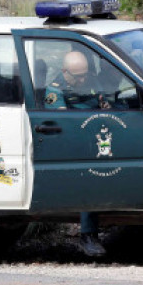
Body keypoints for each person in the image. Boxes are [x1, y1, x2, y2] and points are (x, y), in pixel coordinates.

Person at [43, 50, 109, 257]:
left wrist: (106, 105)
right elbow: (66, 124)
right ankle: (88, 235)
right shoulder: (54, 91)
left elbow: (102, 100)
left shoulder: (90, 80)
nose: (82, 79)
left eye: (84, 74)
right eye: (77, 76)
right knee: (88, 178)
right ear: (64, 72)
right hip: (70, 145)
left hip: (95, 137)